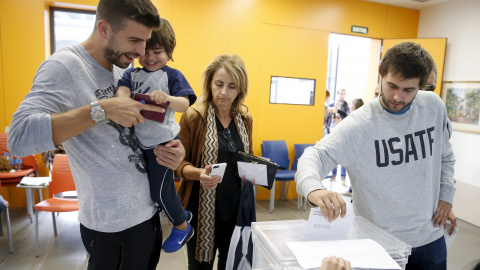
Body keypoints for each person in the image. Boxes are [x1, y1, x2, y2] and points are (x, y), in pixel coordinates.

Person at [7, 1, 186, 269]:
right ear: (104, 29)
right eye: (135, 40)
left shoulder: (123, 68)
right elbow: (19, 137)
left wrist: (174, 149)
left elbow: (145, 127)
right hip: (109, 226)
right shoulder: (64, 66)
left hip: (148, 215)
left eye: (146, 42)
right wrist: (102, 109)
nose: (140, 52)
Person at [295, 42, 456, 270]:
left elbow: (446, 157)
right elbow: (315, 156)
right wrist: (314, 188)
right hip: (379, 245)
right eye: (392, 86)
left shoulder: (433, 107)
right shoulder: (360, 124)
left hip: (430, 239)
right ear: (381, 75)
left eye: (409, 90)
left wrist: (446, 194)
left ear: (421, 85)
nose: (398, 97)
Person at [116, 18, 197, 253]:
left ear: (169, 51)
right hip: (142, 145)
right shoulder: (132, 75)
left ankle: (182, 227)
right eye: (146, 51)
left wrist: (168, 99)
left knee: (160, 192)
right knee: (154, 191)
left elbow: (185, 105)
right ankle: (183, 214)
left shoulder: (171, 75)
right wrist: (122, 101)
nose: (150, 57)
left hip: (165, 143)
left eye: (158, 51)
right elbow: (122, 92)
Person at [175, 54, 253, 270]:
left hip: (236, 208)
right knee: (200, 266)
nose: (224, 92)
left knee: (232, 264)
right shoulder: (193, 117)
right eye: (218, 84)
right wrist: (200, 173)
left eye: (232, 86)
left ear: (240, 89)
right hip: (202, 210)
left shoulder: (245, 119)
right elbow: (179, 165)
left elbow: (249, 156)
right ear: (209, 83)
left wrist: (256, 171)